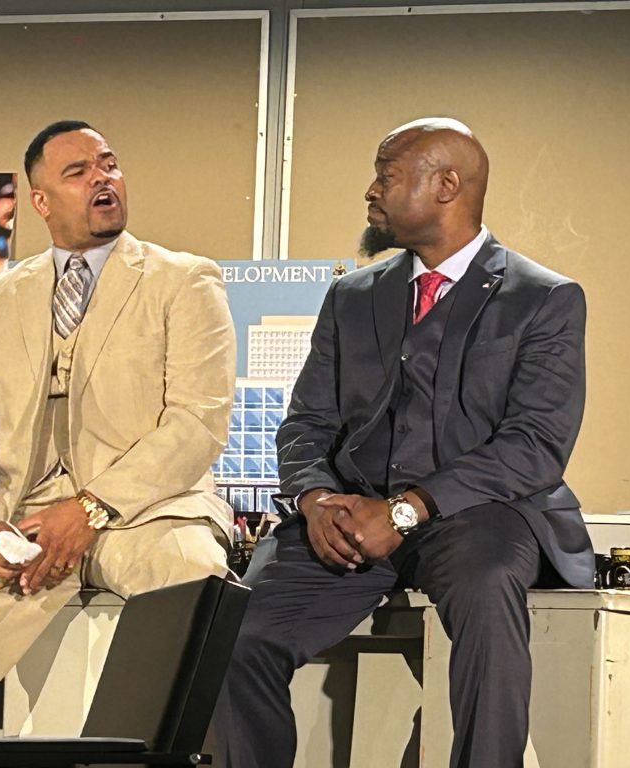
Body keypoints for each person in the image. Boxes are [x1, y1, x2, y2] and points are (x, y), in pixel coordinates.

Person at [214, 118, 594, 768]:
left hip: (477, 519)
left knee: (491, 601)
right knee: (234, 637)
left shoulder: (543, 299)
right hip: (347, 521)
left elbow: (534, 446)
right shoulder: (353, 297)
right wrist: (315, 501)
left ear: (447, 185)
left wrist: (407, 509)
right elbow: (305, 423)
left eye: (387, 174)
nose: (371, 189)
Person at [0, 120, 236, 736]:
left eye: (109, 164)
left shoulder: (184, 280)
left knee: (202, 612)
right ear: (41, 200)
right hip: (19, 524)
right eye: (78, 172)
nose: (102, 179)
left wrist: (89, 509)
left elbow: (197, 423)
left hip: (149, 517)